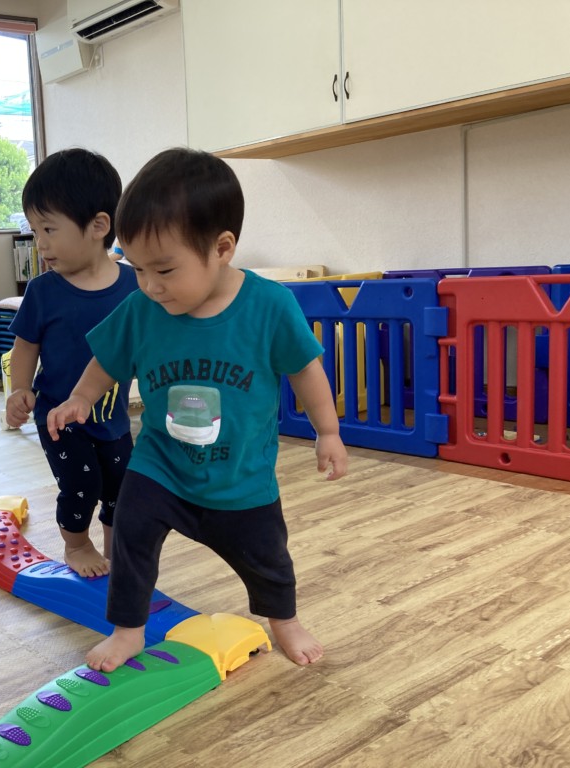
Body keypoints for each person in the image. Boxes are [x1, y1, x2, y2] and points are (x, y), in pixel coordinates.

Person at [47, 147, 349, 671]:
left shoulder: (269, 306)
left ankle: (284, 620)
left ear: (222, 248)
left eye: (164, 269)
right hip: (160, 464)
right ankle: (128, 630)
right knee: (131, 532)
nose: (149, 285)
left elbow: (306, 368)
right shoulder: (143, 308)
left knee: (267, 558)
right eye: (137, 268)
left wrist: (328, 431)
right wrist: (80, 398)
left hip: (240, 477)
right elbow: (107, 360)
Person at [5, 148, 139, 578]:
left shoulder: (135, 285)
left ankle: (117, 551)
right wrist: (19, 389)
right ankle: (77, 545)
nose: (39, 243)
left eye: (48, 229)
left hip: (113, 418)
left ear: (99, 226)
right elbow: (25, 346)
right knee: (82, 485)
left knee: (121, 488)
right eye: (34, 230)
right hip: (58, 416)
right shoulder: (44, 291)